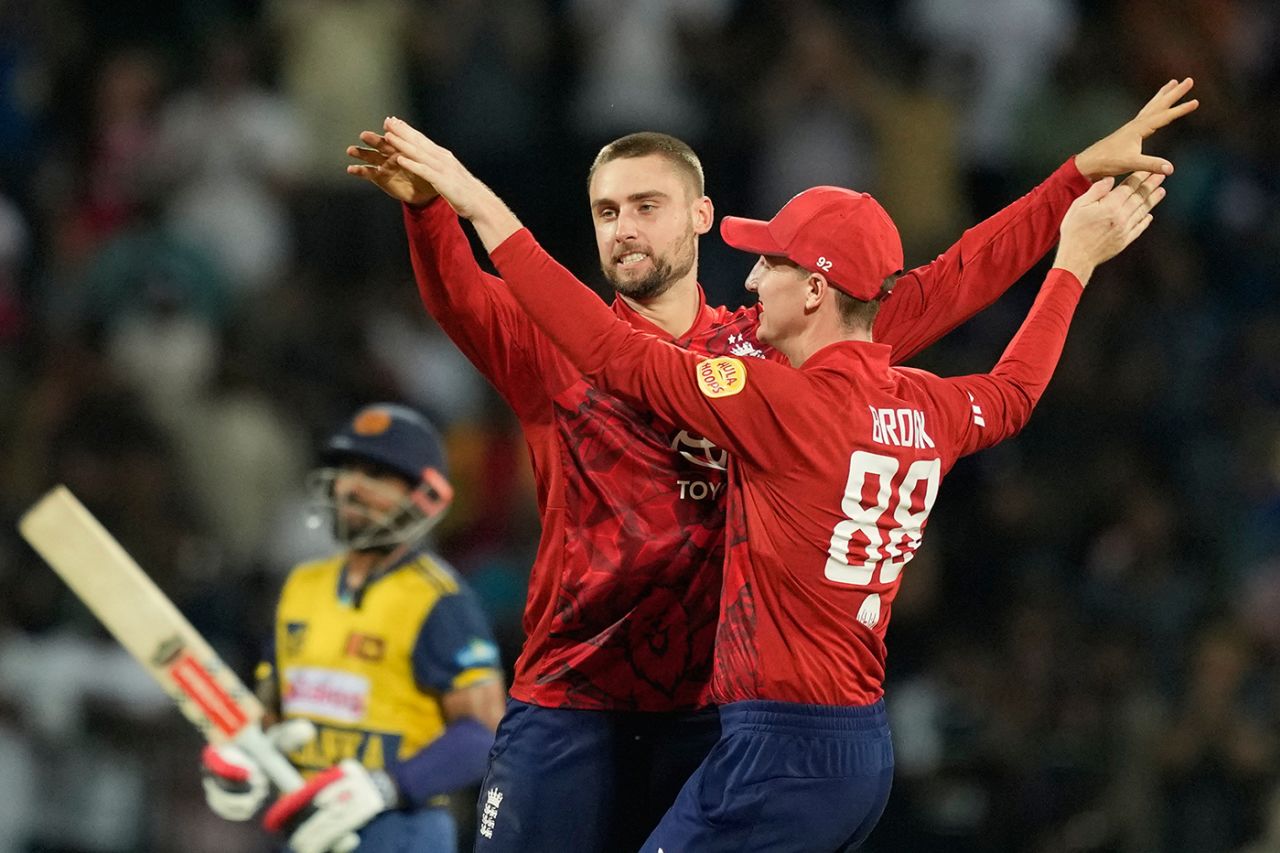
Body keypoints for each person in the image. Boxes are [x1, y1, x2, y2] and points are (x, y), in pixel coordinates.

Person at [346, 79, 1196, 851]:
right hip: (575, 698)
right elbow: (463, 297)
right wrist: (428, 211)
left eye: (647, 205)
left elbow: (955, 277)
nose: (625, 227)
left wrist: (1070, 180)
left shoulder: (770, 358)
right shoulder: (555, 337)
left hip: (712, 713)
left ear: (703, 216)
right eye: (606, 212)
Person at [199, 403, 506, 853]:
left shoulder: (440, 600)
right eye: (346, 469)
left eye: (377, 475)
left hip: (400, 831)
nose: (350, 487)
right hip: (305, 826)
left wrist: (388, 787)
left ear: (424, 494)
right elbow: (269, 708)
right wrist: (243, 762)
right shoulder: (302, 586)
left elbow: (485, 734)